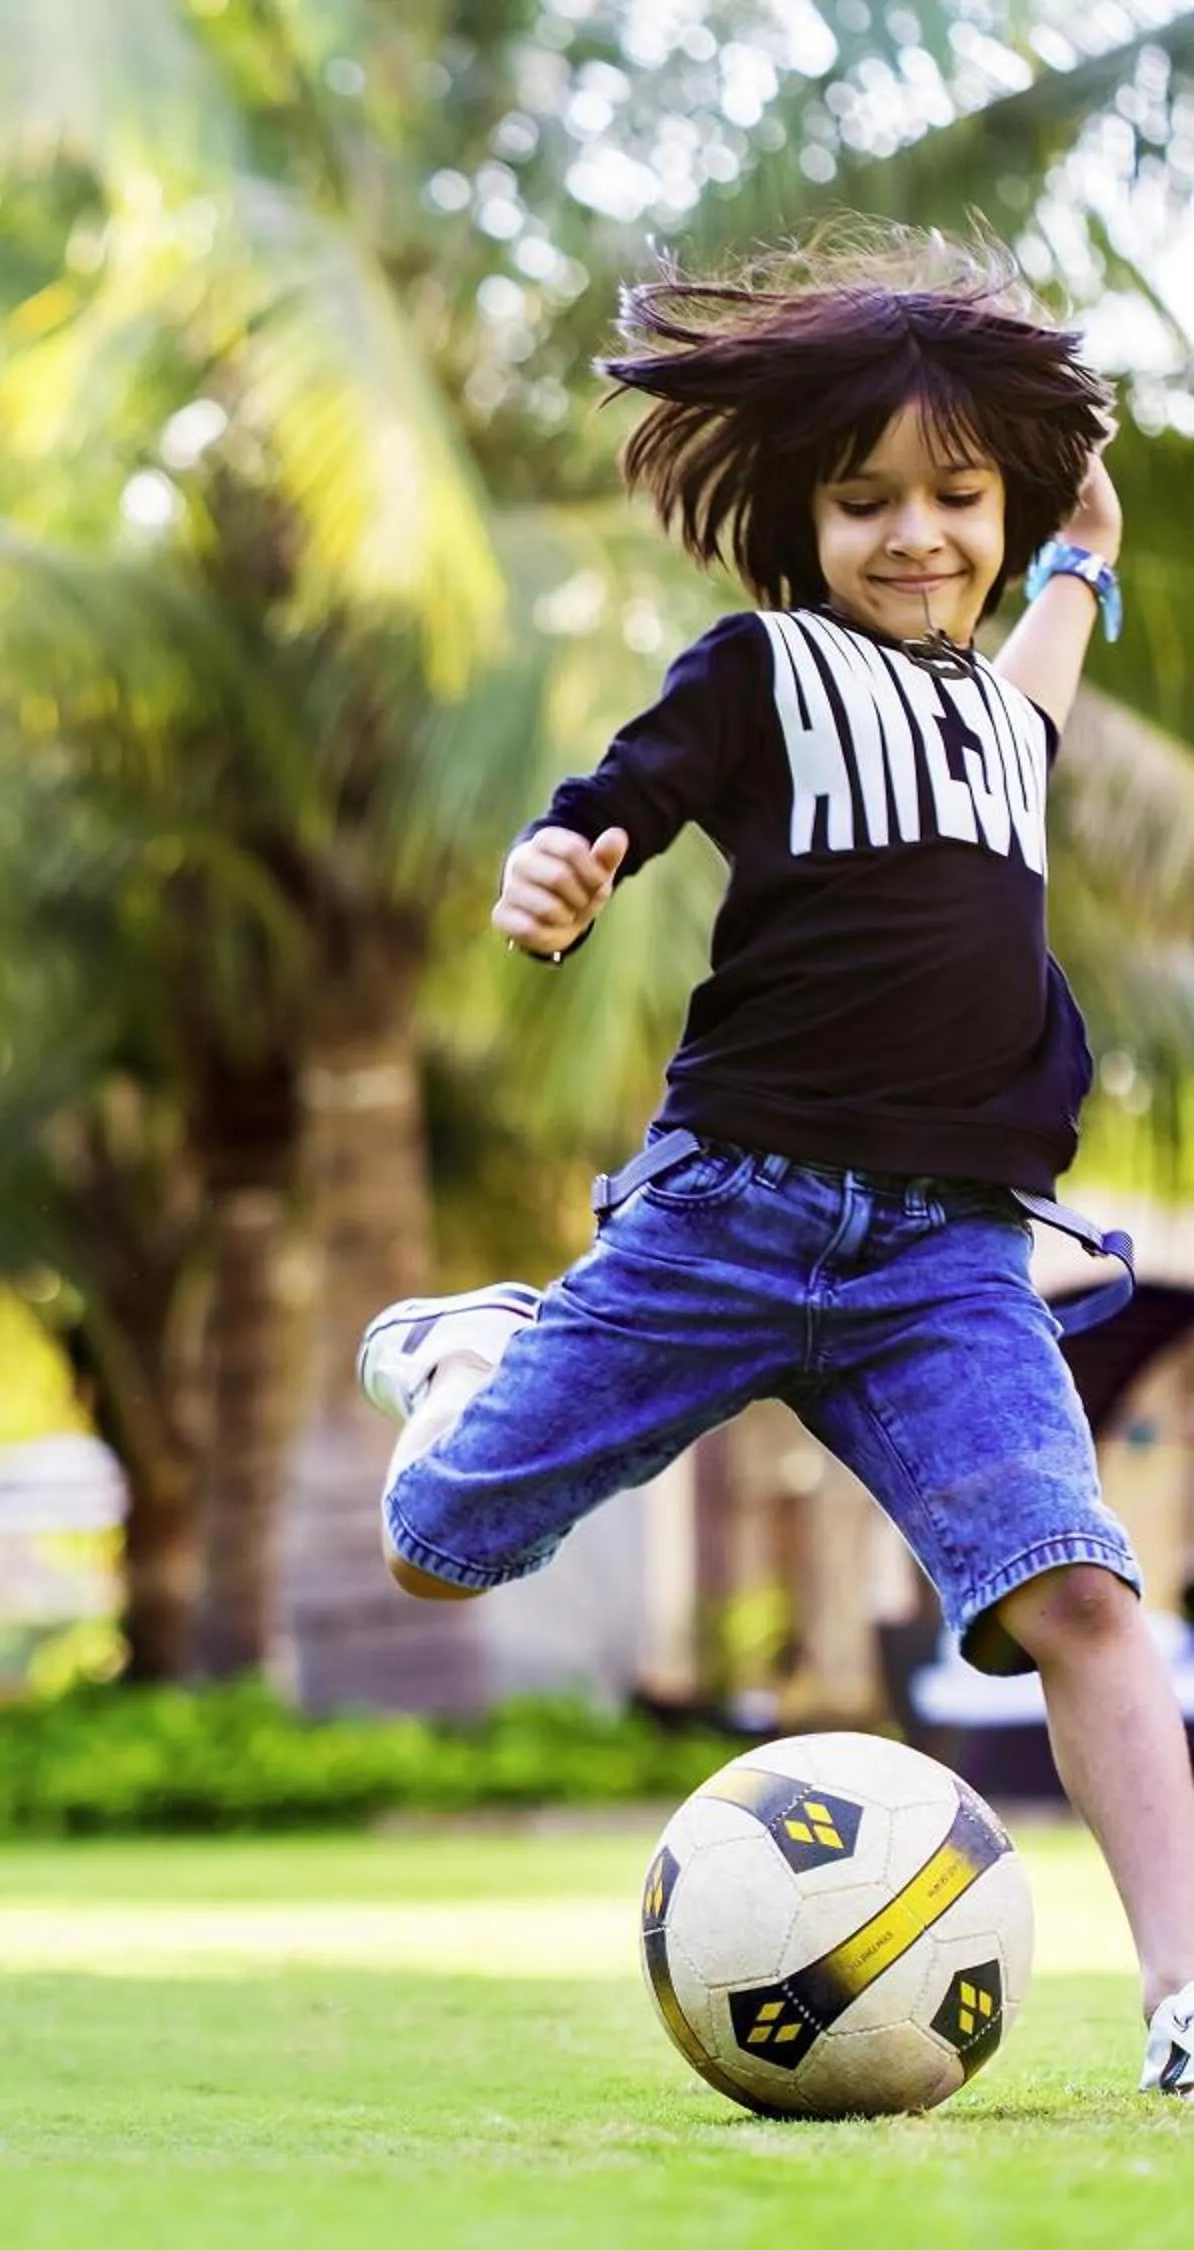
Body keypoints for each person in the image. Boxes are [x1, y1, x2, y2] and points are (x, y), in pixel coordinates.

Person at [351, 227, 1194, 2094]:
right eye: (869, 500)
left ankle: (1182, 2001)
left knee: (1083, 1594)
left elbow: (1042, 642)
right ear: (801, 519)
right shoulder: (764, 673)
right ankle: (471, 1347)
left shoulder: (1006, 716)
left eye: (959, 499)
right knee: (435, 1542)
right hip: (732, 1214)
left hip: (949, 1264)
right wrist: (559, 871)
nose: (918, 536)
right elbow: (613, 802)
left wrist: (1077, 554)